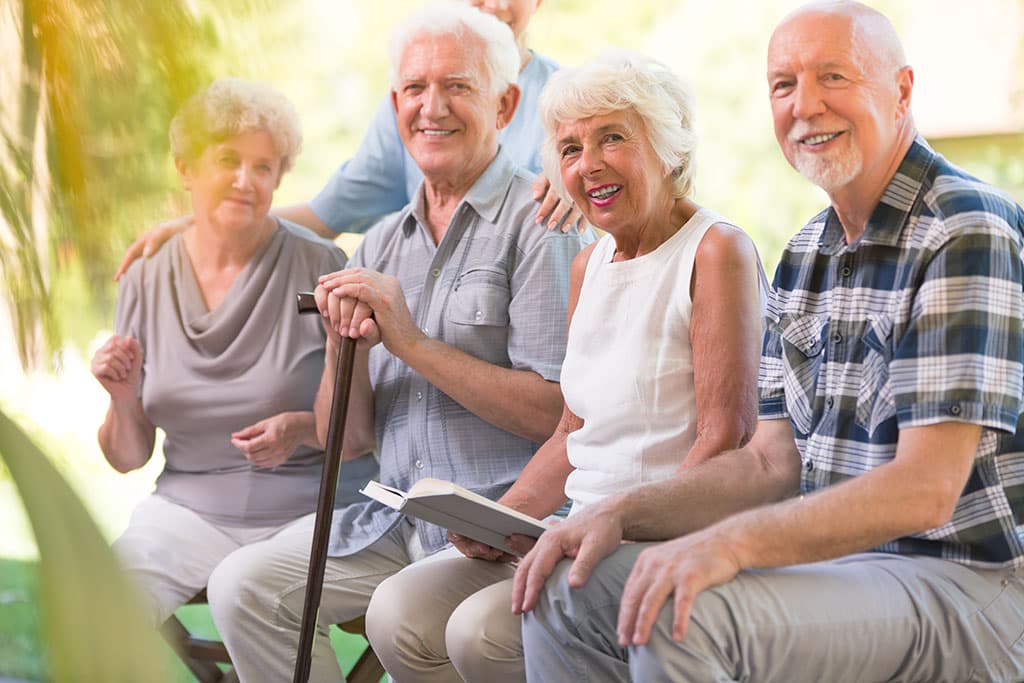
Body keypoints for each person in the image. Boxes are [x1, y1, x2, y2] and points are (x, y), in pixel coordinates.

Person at [514, 2, 1024, 681]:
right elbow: (766, 465)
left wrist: (726, 543)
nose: (805, 104)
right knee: (566, 583)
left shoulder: (963, 228)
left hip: (965, 583)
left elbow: (925, 491)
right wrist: (615, 515)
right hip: (846, 575)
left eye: (833, 77)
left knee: (678, 612)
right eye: (784, 84)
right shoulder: (807, 251)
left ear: (901, 90)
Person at [202, 6, 591, 682]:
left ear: (505, 104)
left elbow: (553, 410)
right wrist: (340, 345)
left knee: (402, 614)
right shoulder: (380, 242)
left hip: (500, 528)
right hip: (393, 523)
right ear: (395, 103)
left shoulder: (543, 225)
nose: (431, 107)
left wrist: (407, 340)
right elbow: (346, 438)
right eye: (415, 89)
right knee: (243, 586)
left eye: (457, 87)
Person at [362, 49, 766, 683]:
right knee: (398, 610)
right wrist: (505, 521)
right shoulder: (589, 264)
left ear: (667, 148)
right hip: (571, 525)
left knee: (481, 632)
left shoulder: (716, 252)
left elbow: (725, 441)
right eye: (571, 148)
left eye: (613, 139)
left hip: (658, 538)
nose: (589, 164)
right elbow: (572, 433)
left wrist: (625, 528)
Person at [90, 78, 375, 627]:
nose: (245, 181)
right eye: (228, 160)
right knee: (102, 608)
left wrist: (297, 428)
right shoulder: (145, 275)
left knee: (248, 595)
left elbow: (356, 430)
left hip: (307, 510)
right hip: (185, 511)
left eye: (264, 167)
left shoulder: (320, 266)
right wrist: (123, 397)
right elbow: (127, 457)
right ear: (186, 167)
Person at [112, 0, 578, 280]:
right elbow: (325, 214)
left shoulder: (573, 102)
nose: (493, 2)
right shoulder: (413, 110)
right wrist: (207, 224)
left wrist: (586, 187)